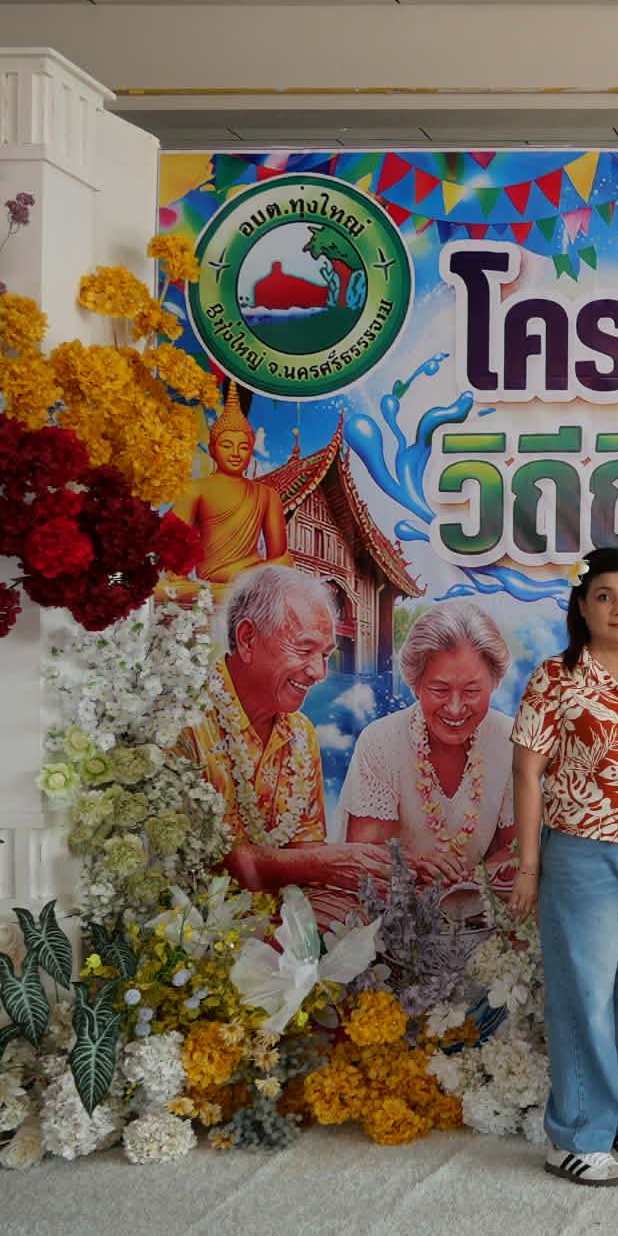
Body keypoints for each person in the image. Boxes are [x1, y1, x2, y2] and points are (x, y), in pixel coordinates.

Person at [510, 547, 618, 1188]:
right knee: (584, 990)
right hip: (582, 848)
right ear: (582, 606)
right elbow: (527, 771)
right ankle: (576, 1136)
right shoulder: (556, 677)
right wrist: (529, 865)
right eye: (604, 596)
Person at [186, 563, 388, 920]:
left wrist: (376, 867)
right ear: (248, 639)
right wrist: (325, 863)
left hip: (284, 919)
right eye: (304, 649)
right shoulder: (187, 720)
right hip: (194, 925)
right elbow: (212, 857)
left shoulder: (301, 733)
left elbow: (305, 849)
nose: (318, 672)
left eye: (325, 655)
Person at [337, 598, 516, 915]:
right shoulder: (381, 742)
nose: (455, 708)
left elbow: (515, 850)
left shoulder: (512, 741)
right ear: (415, 684)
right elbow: (365, 863)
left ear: (494, 684)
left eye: (472, 691)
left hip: (481, 910)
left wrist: (469, 884)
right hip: (393, 913)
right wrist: (414, 865)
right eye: (440, 690)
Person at [169, 378, 288, 593]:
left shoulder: (266, 495)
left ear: (250, 451)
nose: (235, 453)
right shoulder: (195, 489)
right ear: (212, 449)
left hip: (254, 579)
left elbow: (279, 560)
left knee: (285, 563)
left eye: (243, 447)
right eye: (226, 445)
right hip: (212, 584)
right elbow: (173, 547)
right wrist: (178, 580)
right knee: (174, 587)